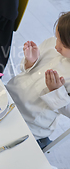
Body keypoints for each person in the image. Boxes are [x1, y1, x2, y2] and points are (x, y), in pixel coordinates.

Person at [7, 12, 70, 149]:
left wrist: (56, 92)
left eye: (64, 45)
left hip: (30, 121)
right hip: (10, 95)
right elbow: (27, 71)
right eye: (57, 37)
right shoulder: (52, 44)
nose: (56, 46)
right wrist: (31, 61)